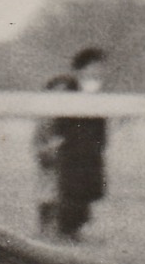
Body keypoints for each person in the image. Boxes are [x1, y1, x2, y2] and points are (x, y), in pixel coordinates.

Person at [34, 47, 109, 240]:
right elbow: (54, 120)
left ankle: (73, 230)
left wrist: (99, 145)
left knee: (83, 191)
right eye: (94, 66)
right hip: (66, 149)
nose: (98, 71)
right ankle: (57, 229)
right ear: (82, 68)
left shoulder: (97, 92)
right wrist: (53, 142)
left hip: (88, 151)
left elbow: (100, 125)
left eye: (100, 67)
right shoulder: (66, 88)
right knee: (61, 190)